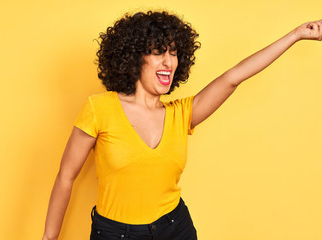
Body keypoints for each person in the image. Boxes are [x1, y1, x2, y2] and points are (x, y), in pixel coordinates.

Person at [42, 10, 322, 240]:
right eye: (157, 52)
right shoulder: (99, 108)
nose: (168, 61)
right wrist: (48, 239)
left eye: (174, 53)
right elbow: (65, 177)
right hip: (116, 234)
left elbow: (233, 77)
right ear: (134, 57)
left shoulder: (182, 114)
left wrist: (297, 34)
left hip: (175, 228)